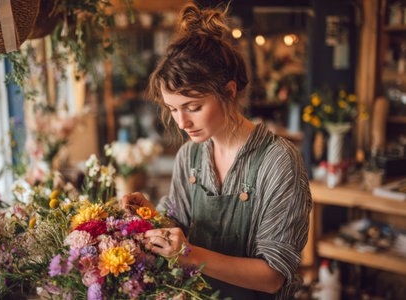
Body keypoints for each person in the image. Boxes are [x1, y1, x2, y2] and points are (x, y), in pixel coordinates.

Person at [121, 2, 312, 299]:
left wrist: (190, 255)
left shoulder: (278, 161)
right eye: (173, 109)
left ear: (229, 91)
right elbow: (179, 229)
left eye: (193, 107)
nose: (182, 122)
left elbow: (273, 276)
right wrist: (149, 217)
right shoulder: (190, 156)